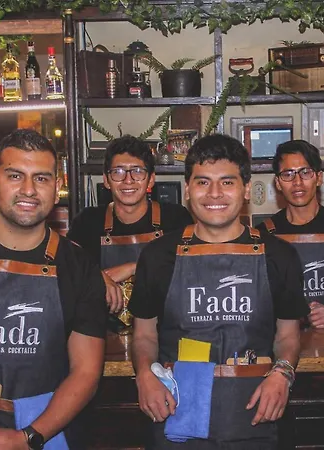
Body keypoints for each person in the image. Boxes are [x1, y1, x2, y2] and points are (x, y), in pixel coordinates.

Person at [129, 134, 309, 449]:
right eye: (203, 182)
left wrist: (283, 374)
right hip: (176, 414)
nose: (214, 193)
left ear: (246, 189)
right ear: (188, 189)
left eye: (227, 182)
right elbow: (144, 335)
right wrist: (144, 375)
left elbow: (287, 336)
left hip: (256, 414)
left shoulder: (280, 256)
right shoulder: (157, 256)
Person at [0, 129, 107, 449]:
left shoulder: (79, 266)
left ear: (57, 188)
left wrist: (27, 437)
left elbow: (86, 372)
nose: (28, 190)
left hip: (45, 431)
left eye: (42, 178)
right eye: (15, 175)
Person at [68, 135, 193, 326]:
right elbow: (67, 268)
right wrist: (97, 276)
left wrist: (133, 267)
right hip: (100, 331)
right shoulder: (87, 221)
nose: (128, 180)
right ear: (106, 180)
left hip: (162, 329)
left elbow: (189, 270)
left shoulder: (175, 218)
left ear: (151, 180)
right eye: (118, 172)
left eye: (137, 171)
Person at [258, 140, 324, 328]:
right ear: (278, 183)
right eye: (288, 174)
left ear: (319, 178)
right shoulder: (262, 235)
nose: (297, 182)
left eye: (305, 172)